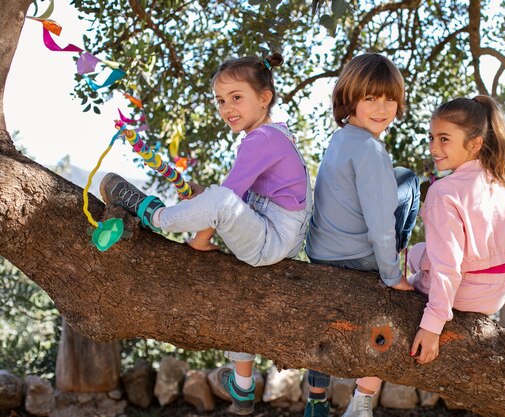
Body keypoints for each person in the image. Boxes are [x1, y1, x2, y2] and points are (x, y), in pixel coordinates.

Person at [99, 53, 311, 415]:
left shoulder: (261, 140)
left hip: (272, 237)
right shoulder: (273, 135)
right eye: (220, 100)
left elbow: (229, 198)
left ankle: (154, 213)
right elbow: (236, 195)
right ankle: (243, 389)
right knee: (243, 290)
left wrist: (200, 239)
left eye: (236, 97)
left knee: (219, 199)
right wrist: (203, 198)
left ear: (265, 97)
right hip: (273, 233)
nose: (226, 107)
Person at [303, 53, 420, 417]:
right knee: (410, 181)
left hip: (322, 251)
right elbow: (381, 222)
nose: (382, 108)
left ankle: (316, 401)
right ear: (350, 98)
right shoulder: (371, 151)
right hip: (357, 259)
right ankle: (362, 401)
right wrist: (391, 275)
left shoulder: (341, 139)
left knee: (400, 176)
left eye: (389, 99)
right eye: (370, 98)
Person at [408, 95, 505, 366]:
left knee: (406, 264)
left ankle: (363, 393)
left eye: (444, 139)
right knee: (418, 254)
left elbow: (447, 267)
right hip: (496, 294)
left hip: (465, 293)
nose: (433, 147)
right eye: (431, 138)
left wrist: (432, 325)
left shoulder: (444, 191)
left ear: (475, 144)